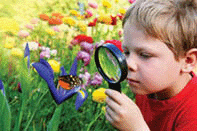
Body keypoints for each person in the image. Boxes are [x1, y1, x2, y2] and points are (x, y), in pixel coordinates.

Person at [105, 0, 197, 130]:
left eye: (144, 55)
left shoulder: (193, 112)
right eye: (126, 52)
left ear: (188, 61)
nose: (129, 63)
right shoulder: (147, 87)